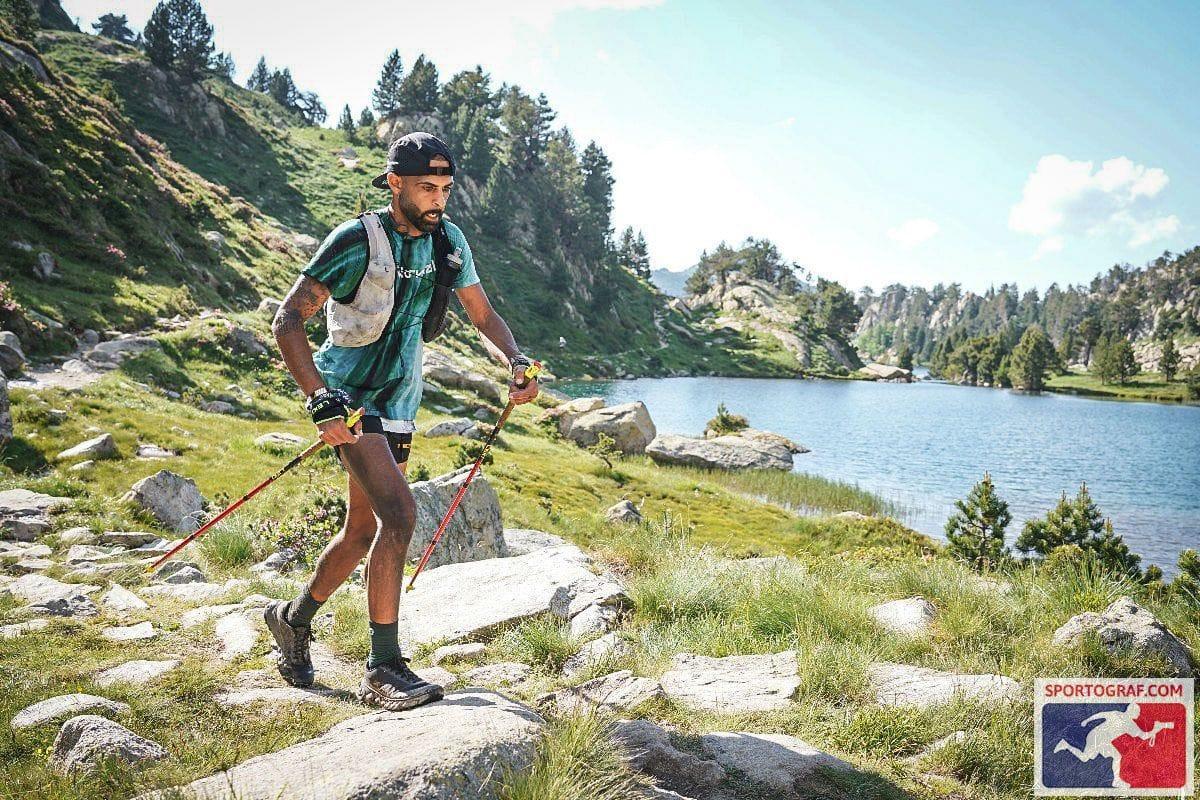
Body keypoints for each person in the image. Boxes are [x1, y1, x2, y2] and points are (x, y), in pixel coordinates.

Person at [265, 132, 538, 711]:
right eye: (425, 187)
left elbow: (481, 313)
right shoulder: (356, 240)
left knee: (361, 532)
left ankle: (293, 618)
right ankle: (383, 667)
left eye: (445, 188)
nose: (438, 199)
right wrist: (319, 399)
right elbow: (288, 319)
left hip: (401, 402)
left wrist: (515, 361)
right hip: (351, 400)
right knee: (401, 515)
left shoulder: (449, 241)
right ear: (394, 184)